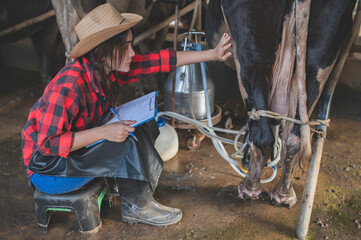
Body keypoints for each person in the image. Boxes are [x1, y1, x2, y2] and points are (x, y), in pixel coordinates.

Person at [22, 3, 232, 227]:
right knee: (124, 141)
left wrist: (212, 54)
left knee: (140, 125)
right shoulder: (70, 85)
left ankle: (135, 193)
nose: (132, 53)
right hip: (47, 170)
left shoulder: (106, 69)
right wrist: (104, 131)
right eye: (125, 46)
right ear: (102, 52)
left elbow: (160, 61)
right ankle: (137, 207)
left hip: (70, 155)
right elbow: (47, 145)